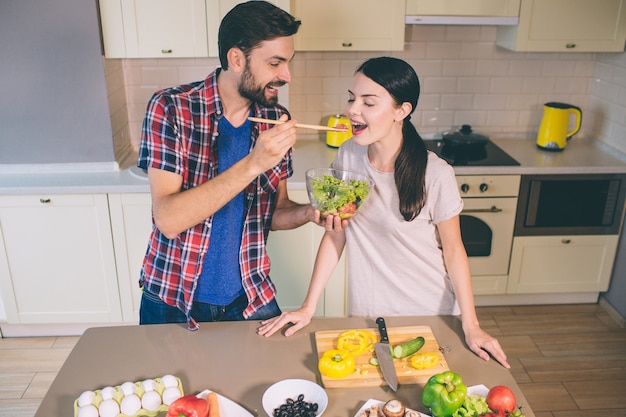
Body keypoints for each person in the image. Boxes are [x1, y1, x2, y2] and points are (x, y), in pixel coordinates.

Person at [258, 57, 510, 368]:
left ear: (401, 111)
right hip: (368, 314)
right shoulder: (349, 156)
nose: (353, 109)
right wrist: (308, 307)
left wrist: (472, 326)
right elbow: (336, 234)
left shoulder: (436, 173)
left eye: (369, 102)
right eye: (352, 97)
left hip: (430, 314)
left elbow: (455, 251)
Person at [137, 1, 323, 330]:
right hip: (173, 299)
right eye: (275, 63)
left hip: (249, 297)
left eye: (287, 63)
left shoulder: (275, 119)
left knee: (268, 382)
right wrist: (253, 164)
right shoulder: (171, 108)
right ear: (236, 59)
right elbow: (168, 219)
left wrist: (310, 213)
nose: (286, 76)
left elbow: (275, 212)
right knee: (178, 384)